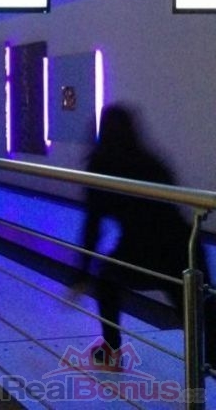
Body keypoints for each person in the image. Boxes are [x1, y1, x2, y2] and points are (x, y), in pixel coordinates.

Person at [75, 103, 215, 362]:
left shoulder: (101, 164)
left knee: (106, 279)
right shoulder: (149, 159)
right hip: (182, 246)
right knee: (199, 307)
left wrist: (80, 273)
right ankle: (211, 362)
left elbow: (93, 224)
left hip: (141, 251)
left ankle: (112, 349)